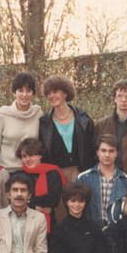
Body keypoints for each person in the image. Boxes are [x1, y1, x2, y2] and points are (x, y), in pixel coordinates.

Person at [38, 75, 96, 222]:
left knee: (82, 212)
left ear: (65, 93)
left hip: (80, 172)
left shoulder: (83, 119)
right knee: (61, 215)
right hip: (57, 175)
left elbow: (92, 148)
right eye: (49, 93)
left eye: (55, 91)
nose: (52, 96)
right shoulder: (44, 123)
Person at [76, 133, 127, 228]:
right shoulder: (83, 178)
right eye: (103, 150)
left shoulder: (126, 181)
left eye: (111, 151)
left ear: (117, 153)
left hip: (117, 231)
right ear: (97, 152)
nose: (107, 155)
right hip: (90, 230)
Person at [0, 72, 43, 172]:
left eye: (28, 91)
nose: (24, 95)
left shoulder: (38, 114)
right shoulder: (2, 114)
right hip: (6, 169)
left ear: (33, 93)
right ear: (14, 92)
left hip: (31, 169)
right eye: (20, 91)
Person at [17, 137, 64, 232]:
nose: (28, 159)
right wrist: (35, 206)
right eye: (24, 156)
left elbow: (52, 200)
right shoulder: (19, 176)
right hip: (23, 222)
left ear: (40, 155)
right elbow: (18, 199)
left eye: (31, 155)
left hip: (49, 223)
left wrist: (30, 201)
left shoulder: (53, 173)